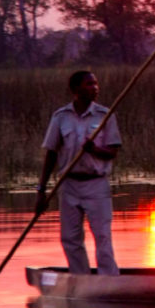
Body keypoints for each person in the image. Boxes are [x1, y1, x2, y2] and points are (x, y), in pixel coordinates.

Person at [35, 70, 122, 276]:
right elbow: (51, 154)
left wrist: (95, 150)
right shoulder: (60, 117)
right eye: (89, 84)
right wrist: (41, 191)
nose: (95, 88)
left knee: (102, 236)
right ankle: (80, 279)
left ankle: (109, 280)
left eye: (96, 84)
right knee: (70, 238)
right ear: (75, 90)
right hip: (69, 185)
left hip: (96, 185)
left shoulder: (105, 115)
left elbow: (113, 152)